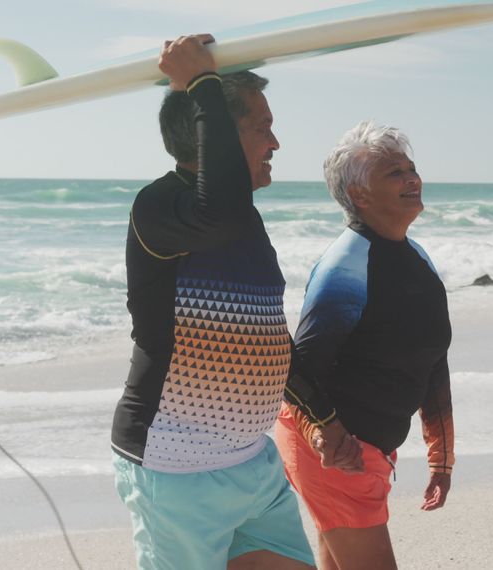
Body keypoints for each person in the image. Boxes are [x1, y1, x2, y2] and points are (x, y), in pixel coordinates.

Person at [111, 35, 314, 570]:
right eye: (260, 127)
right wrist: (200, 84)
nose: (275, 142)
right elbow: (217, 208)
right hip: (175, 470)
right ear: (212, 133)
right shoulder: (160, 206)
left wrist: (324, 414)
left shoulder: (245, 219)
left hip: (252, 462)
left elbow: (266, 332)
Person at [275, 121, 455, 570]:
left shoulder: (416, 259)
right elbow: (294, 365)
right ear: (360, 195)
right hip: (336, 452)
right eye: (394, 173)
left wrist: (443, 457)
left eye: (411, 168)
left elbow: (431, 359)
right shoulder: (346, 266)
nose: (412, 179)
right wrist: (324, 429)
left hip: (365, 451)